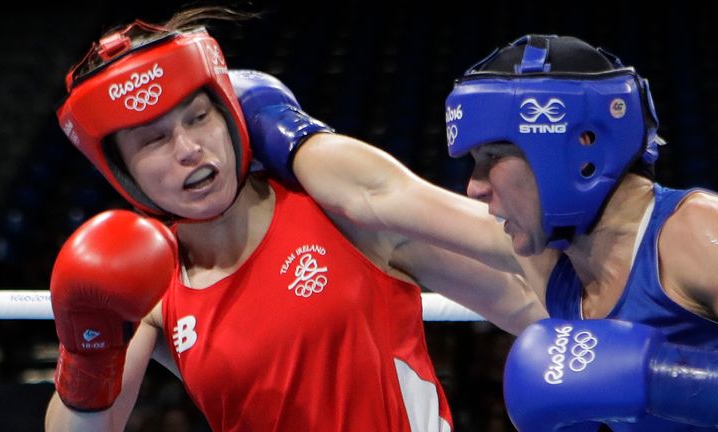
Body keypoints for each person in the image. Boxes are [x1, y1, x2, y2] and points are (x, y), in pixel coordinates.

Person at [44, 7, 547, 432]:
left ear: (230, 115)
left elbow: (524, 301)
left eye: (199, 117)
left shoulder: (337, 211)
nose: (190, 149)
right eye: (154, 140)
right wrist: (87, 347)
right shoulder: (153, 286)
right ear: (123, 172)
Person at [253, 34, 718, 430]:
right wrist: (277, 130)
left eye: (492, 159)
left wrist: (655, 377)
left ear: (575, 146)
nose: (475, 187)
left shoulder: (696, 232)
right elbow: (384, 194)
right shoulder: (552, 261)